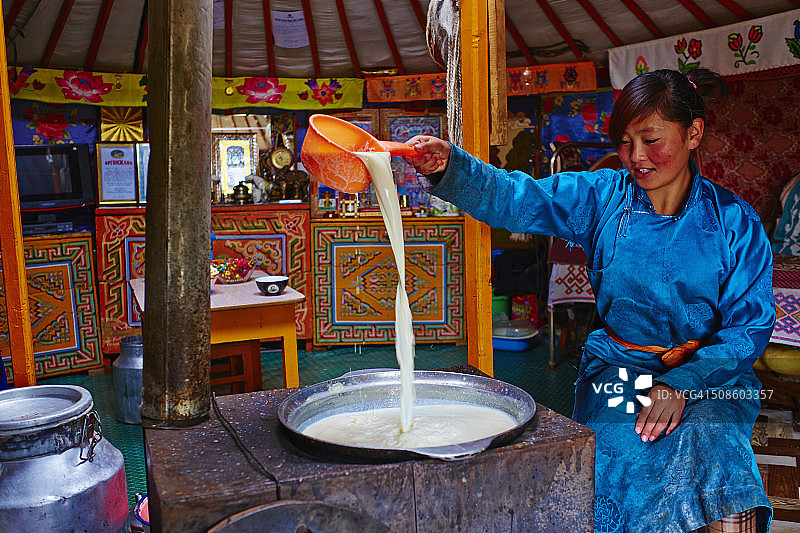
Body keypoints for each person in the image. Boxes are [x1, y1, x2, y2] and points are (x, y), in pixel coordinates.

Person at [404, 68, 774, 533]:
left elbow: (749, 330)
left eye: (651, 140)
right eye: (624, 142)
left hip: (710, 377)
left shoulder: (735, 222)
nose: (636, 157)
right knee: (618, 455)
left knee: (718, 456)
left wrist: (682, 384)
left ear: (693, 133)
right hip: (620, 372)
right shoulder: (602, 199)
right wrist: (451, 167)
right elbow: (517, 198)